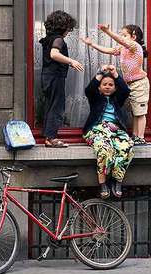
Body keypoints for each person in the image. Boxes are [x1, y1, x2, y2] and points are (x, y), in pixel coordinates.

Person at [81, 24, 149, 145]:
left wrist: (108, 31)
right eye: (122, 35)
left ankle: (141, 137)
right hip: (130, 84)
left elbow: (122, 41)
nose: (122, 37)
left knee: (140, 111)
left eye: (125, 35)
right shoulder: (123, 48)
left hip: (139, 83)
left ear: (133, 36)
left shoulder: (135, 46)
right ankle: (135, 135)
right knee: (134, 111)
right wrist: (92, 45)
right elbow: (108, 50)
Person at [83, 65, 134, 199]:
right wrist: (101, 72)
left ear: (114, 88)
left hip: (116, 131)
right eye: (104, 84)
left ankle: (117, 180)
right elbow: (89, 90)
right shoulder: (95, 98)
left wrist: (115, 73)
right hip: (98, 129)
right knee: (105, 149)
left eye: (110, 84)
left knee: (126, 146)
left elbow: (125, 90)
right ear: (99, 88)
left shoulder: (117, 99)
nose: (107, 86)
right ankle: (103, 183)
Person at [40, 10, 84, 148]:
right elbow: (54, 54)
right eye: (68, 28)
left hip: (47, 76)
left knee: (50, 105)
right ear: (63, 26)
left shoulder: (48, 38)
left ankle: (48, 137)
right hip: (55, 77)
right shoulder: (58, 39)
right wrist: (71, 61)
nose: (68, 31)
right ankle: (51, 138)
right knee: (57, 107)